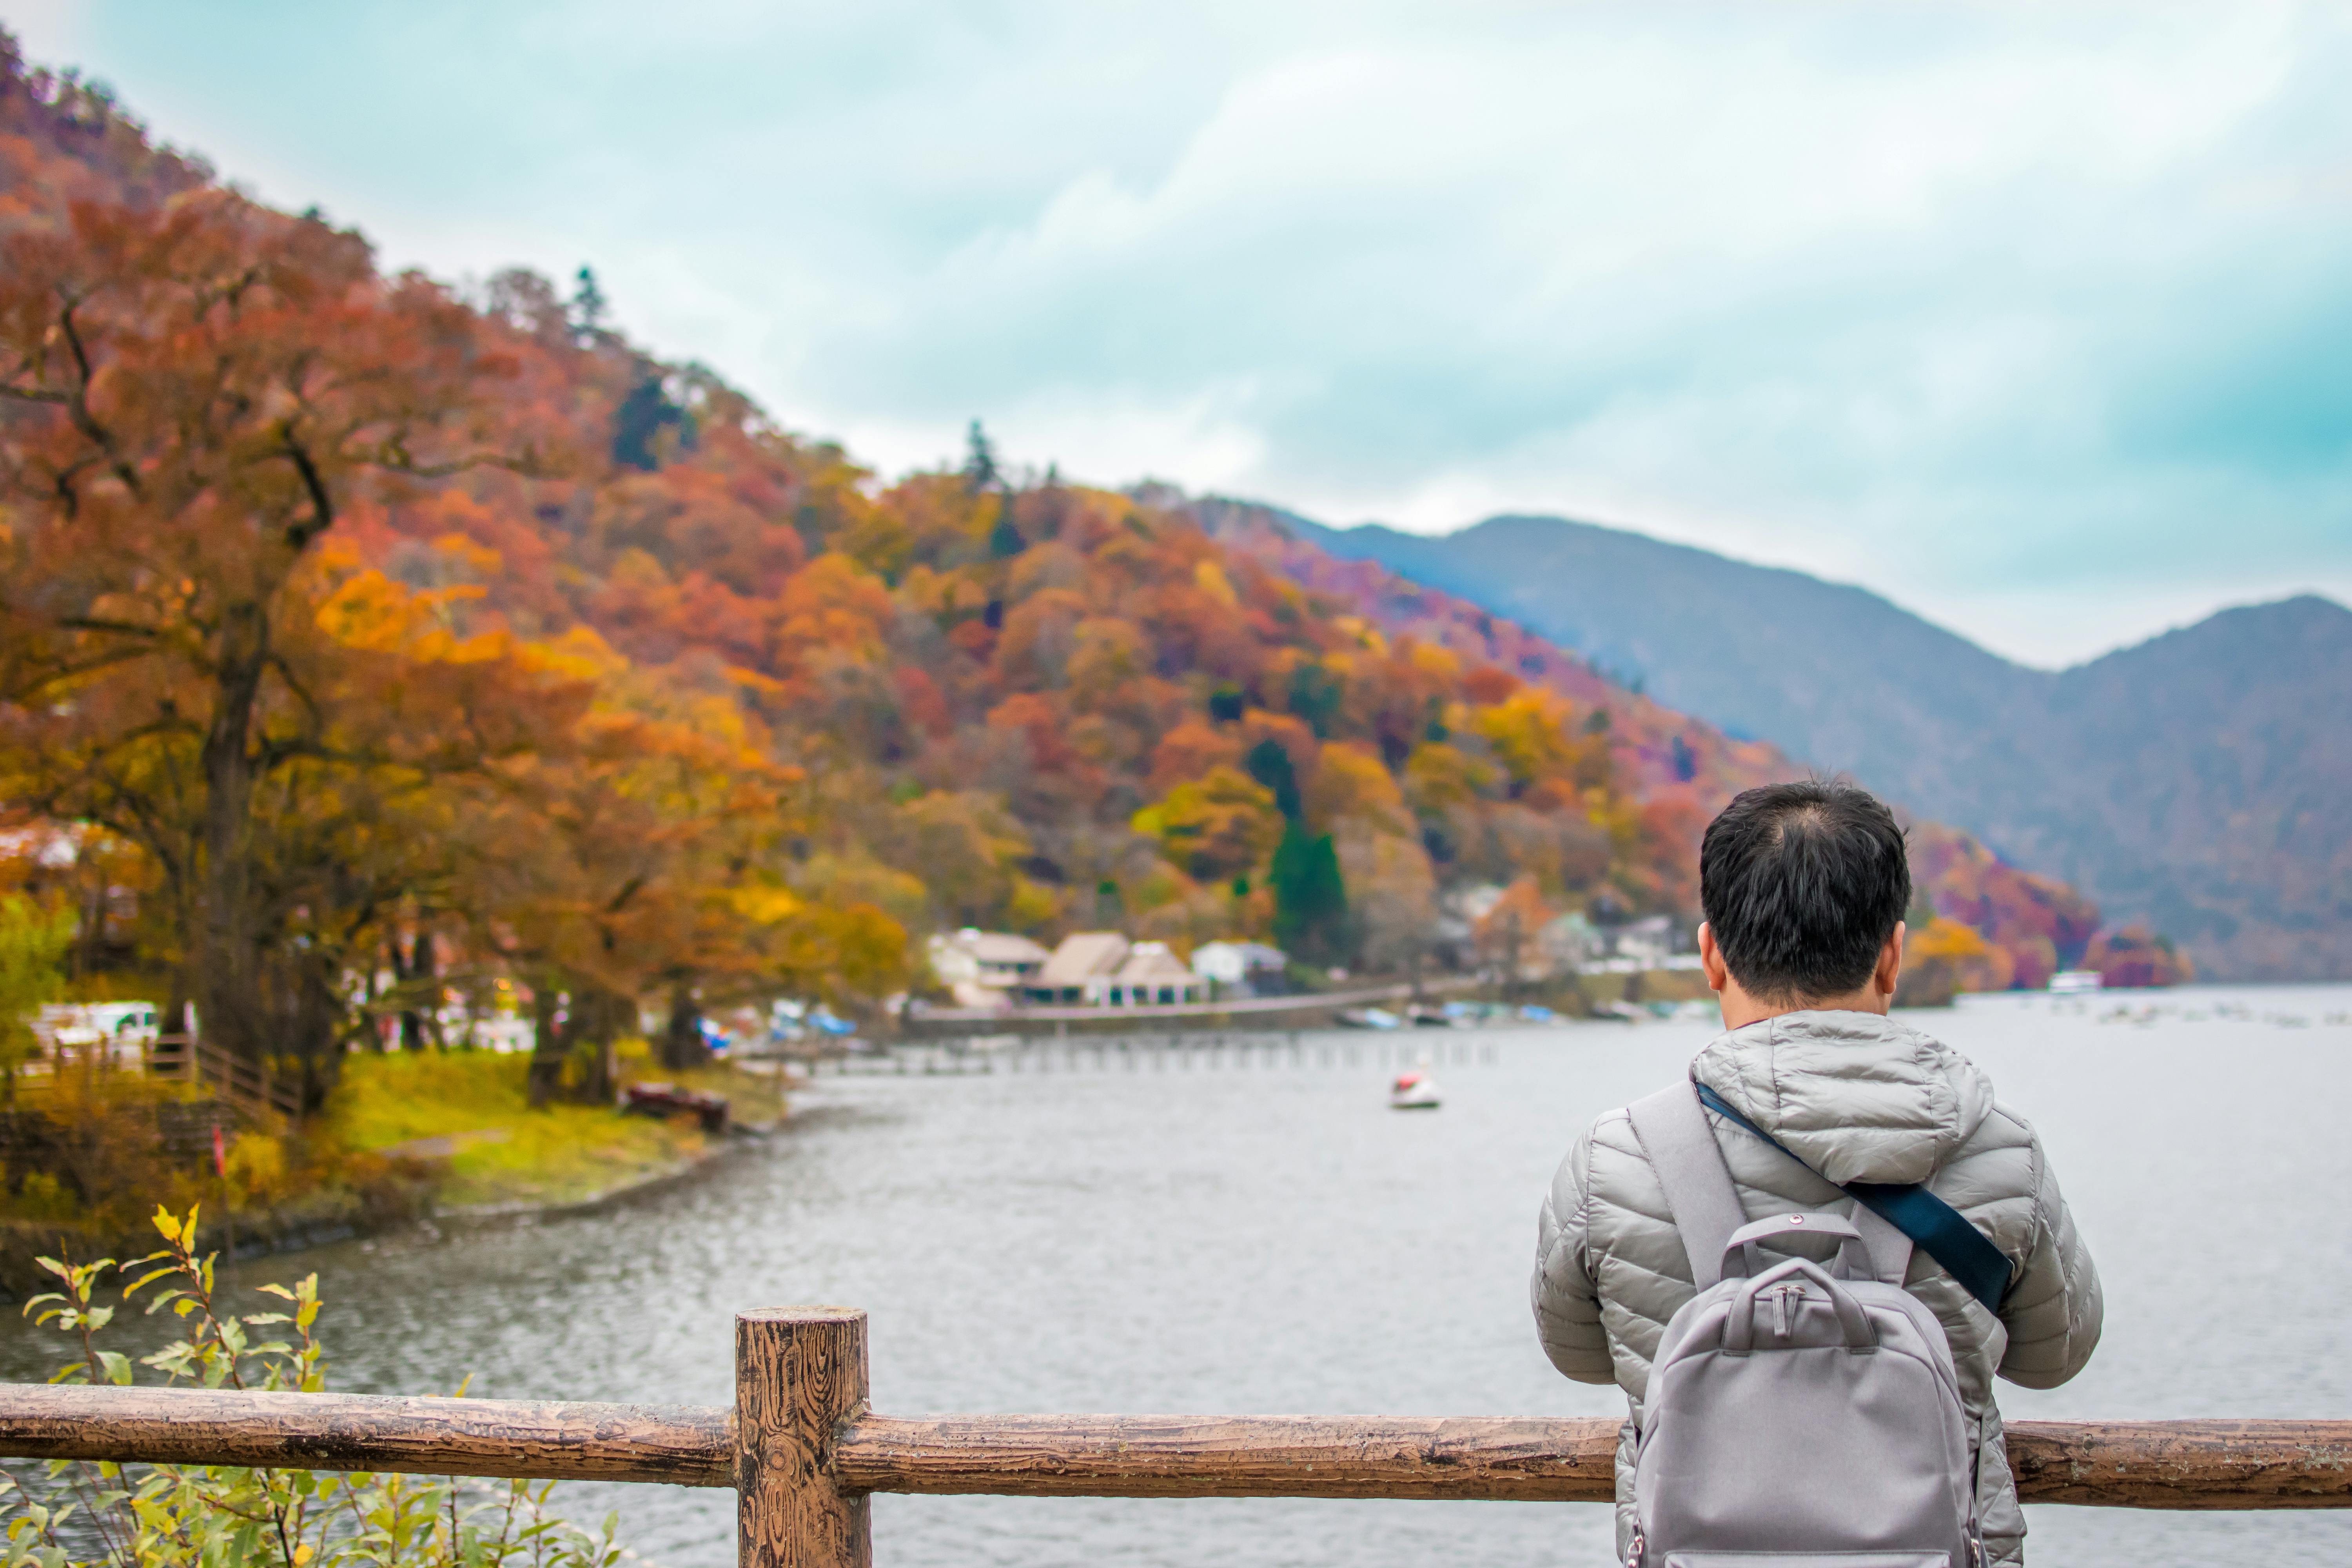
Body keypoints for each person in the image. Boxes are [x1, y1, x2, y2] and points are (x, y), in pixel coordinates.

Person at [1532, 780, 2101, 1567]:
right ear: (1893, 954)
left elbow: (1577, 1352)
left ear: (1710, 955)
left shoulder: (1619, 1157)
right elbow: (2055, 1355)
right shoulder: (1999, 1150)